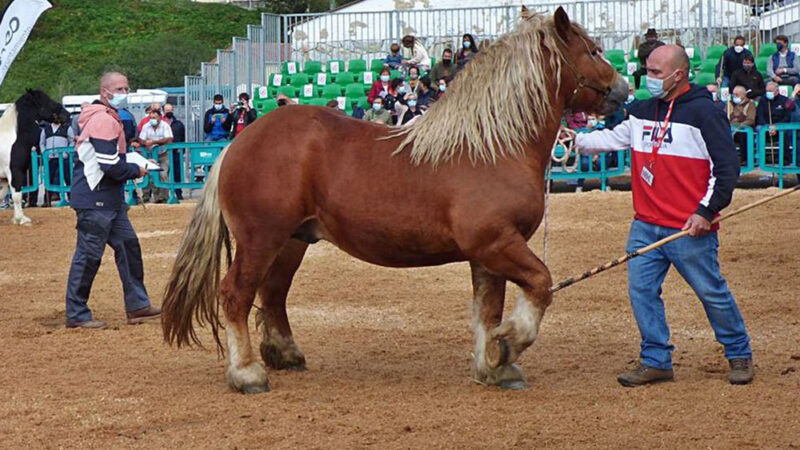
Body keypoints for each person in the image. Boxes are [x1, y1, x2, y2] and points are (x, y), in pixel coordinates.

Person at [575, 45, 753, 386]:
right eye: (647, 71)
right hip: (644, 224)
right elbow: (613, 138)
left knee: (711, 292)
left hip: (689, 228)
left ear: (679, 74)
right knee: (641, 292)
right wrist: (576, 141)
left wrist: (706, 211)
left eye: (655, 73)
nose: (648, 78)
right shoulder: (642, 111)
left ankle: (739, 353)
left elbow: (728, 168)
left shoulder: (705, 112)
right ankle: (656, 359)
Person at [65, 71, 160, 329]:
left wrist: (130, 161)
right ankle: (76, 313)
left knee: (129, 247)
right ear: (105, 92)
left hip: (109, 199)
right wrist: (138, 170)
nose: (124, 93)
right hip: (95, 198)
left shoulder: (105, 117)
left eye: (126, 88)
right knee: (88, 256)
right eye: (120, 89)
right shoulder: (103, 121)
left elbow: (110, 160)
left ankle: (138, 305)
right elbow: (110, 165)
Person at [138, 109, 174, 203]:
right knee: (148, 174)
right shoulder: (146, 126)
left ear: (159, 117)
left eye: (154, 117)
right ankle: (148, 196)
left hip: (163, 154)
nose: (152, 119)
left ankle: (163, 197)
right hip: (149, 154)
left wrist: (154, 141)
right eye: (150, 117)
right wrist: (145, 142)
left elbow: (168, 138)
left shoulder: (165, 126)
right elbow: (141, 139)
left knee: (163, 174)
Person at [756, 81, 795, 165]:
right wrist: (768, 126)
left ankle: (785, 159)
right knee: (759, 129)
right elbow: (759, 116)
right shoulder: (763, 100)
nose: (768, 93)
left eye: (770, 91)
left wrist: (776, 127)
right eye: (767, 91)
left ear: (777, 91)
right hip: (766, 126)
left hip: (780, 126)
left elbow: (787, 117)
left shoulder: (784, 100)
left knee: (785, 132)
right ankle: (761, 158)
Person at [39, 117, 76, 205]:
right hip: (50, 158)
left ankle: (73, 200)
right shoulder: (46, 129)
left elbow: (72, 141)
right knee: (49, 179)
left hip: (63, 158)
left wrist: (67, 152)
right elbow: (42, 143)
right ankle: (47, 201)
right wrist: (45, 153)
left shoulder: (67, 128)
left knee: (68, 178)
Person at [729, 85, 755, 166]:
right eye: (733, 94)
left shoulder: (750, 104)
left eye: (737, 94)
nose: (734, 96)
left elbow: (751, 120)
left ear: (743, 95)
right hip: (730, 128)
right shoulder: (729, 104)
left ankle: (744, 159)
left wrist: (739, 127)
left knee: (743, 135)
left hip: (743, 128)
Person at [164, 103, 185, 200]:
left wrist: (182, 150)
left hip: (176, 152)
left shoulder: (178, 124)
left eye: (170, 110)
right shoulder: (161, 123)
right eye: (166, 110)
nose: (169, 112)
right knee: (164, 173)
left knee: (177, 173)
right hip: (164, 152)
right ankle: (164, 194)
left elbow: (182, 137)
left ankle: (178, 192)